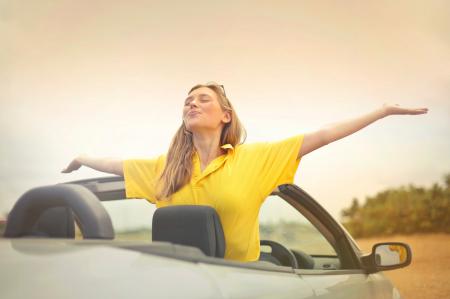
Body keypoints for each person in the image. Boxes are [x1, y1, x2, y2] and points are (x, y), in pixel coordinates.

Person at [62, 82, 428, 262]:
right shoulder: (164, 168)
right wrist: (83, 156)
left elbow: (323, 135)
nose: (191, 102)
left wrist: (380, 111)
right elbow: (116, 166)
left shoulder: (254, 159)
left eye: (202, 98)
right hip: (176, 283)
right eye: (187, 100)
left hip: (244, 284)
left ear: (226, 116)